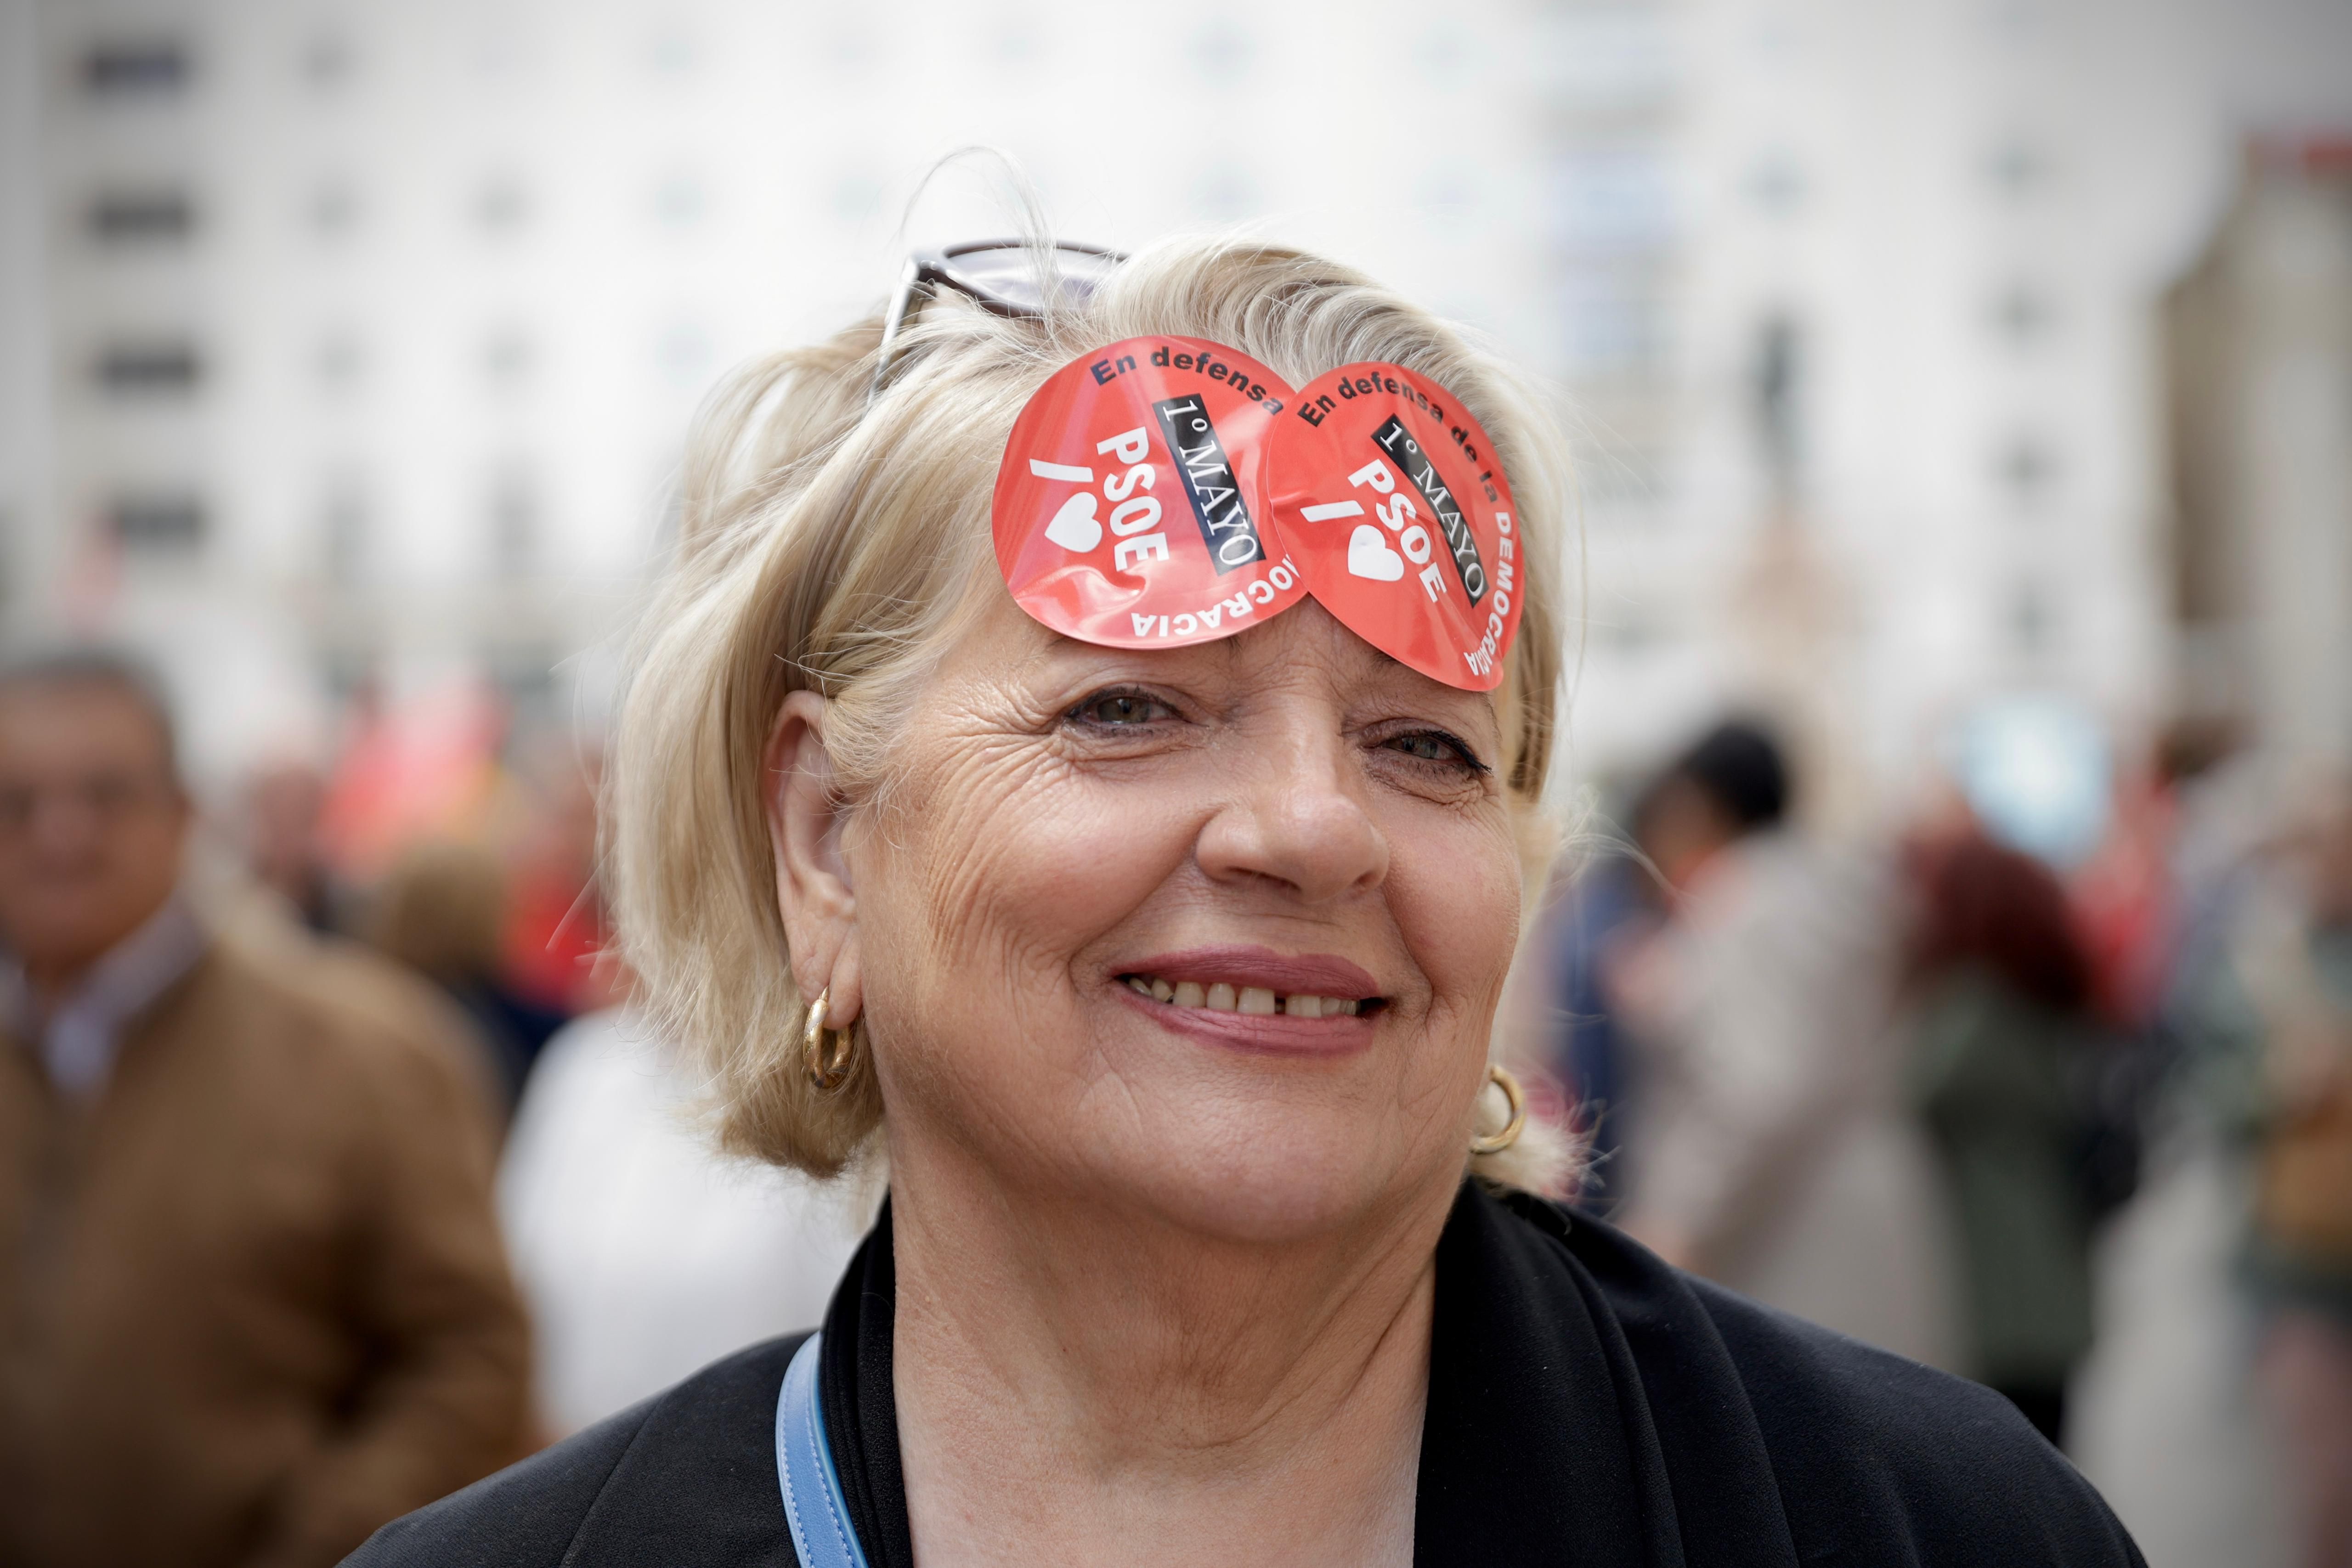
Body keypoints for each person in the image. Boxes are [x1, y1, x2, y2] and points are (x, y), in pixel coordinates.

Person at [354, 238, 2137, 1567]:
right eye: (1126, 707)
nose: (1309, 825)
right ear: (825, 844)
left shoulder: (1929, 1531)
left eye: (1426, 749)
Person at [0, 649, 532, 1568]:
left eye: (104, 795)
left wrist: (327, 1539)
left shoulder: (363, 1050)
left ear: (183, 812)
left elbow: (472, 1355)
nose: (60, 836)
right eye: (16, 804)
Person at [1609, 720, 1959, 1369]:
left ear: (1703, 804)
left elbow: (1760, 1088)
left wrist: (1674, 1222)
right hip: (1858, 1201)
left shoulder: (1746, 905)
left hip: (1791, 1229)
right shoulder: (1822, 889)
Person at [500, 1004, 871, 1435]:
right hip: (559, 1475)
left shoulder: (825, 1098)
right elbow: (509, 1273)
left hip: (737, 1473)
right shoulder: (584, 1066)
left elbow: (841, 1349)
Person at [1907, 828, 2106, 1447]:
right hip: (2052, 1274)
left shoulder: (1974, 1007)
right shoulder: (2046, 1002)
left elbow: (1911, 1092)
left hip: (1999, 1290)